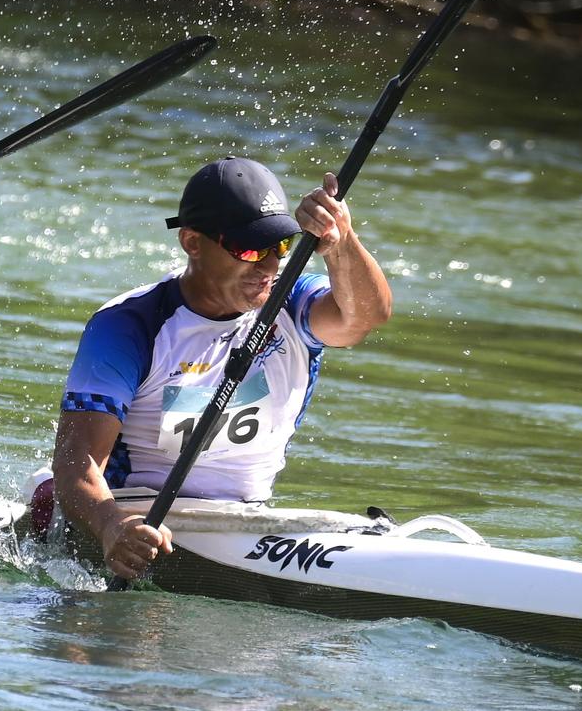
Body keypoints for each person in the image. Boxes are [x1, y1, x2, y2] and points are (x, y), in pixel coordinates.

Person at [51, 156, 393, 579]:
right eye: (249, 249)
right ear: (193, 243)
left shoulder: (292, 300)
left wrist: (342, 243)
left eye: (280, 247)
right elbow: (75, 463)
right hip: (139, 519)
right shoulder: (129, 325)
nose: (268, 267)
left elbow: (366, 317)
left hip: (248, 525)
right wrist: (110, 526)